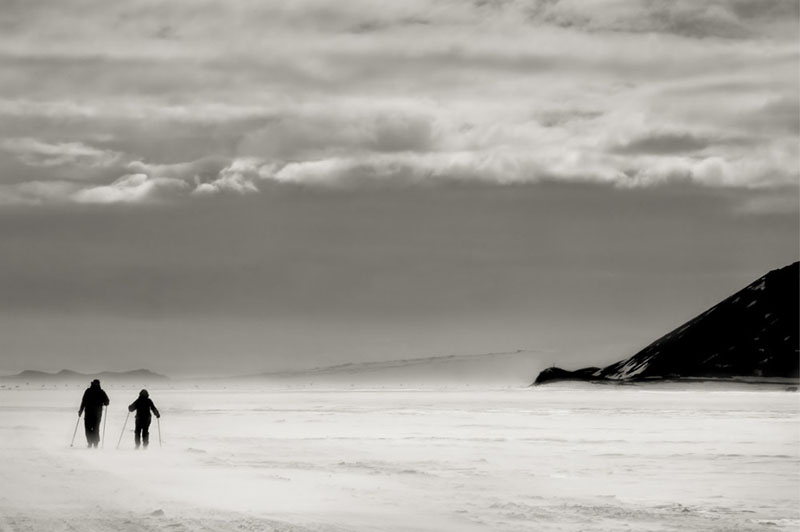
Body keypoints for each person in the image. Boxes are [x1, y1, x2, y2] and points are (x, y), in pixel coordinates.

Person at [78, 379, 110, 448]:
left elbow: (83, 402)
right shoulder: (101, 392)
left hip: (89, 413)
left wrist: (80, 411)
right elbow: (107, 401)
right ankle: (95, 443)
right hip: (97, 413)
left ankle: (90, 443)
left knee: (88, 428)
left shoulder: (88, 391)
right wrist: (105, 403)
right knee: (95, 428)